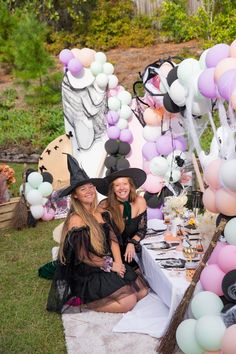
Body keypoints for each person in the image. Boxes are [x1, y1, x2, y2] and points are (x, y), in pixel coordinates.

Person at [47, 154, 148, 314]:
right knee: (128, 302)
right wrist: (109, 265)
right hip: (89, 269)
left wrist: (119, 262)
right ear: (75, 195)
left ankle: (110, 288)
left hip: (107, 261)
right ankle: (83, 303)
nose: (89, 191)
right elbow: (83, 256)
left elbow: (113, 239)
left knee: (142, 292)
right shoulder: (76, 220)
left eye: (90, 187)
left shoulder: (101, 212)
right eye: (82, 189)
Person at [96, 168, 147, 269]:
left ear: (130, 185)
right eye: (117, 185)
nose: (121, 188)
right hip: (111, 255)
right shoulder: (104, 206)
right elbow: (103, 237)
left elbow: (142, 229)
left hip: (131, 252)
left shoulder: (140, 201)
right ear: (112, 188)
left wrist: (132, 243)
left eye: (125, 183)